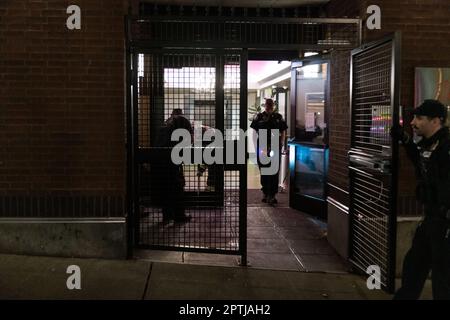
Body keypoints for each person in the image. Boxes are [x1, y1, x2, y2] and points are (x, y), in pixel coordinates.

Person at [391, 99, 450, 300]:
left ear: (436, 121)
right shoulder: (430, 144)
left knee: (443, 277)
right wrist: (406, 141)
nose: (413, 122)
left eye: (419, 118)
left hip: (445, 223)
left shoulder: (446, 147)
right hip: (431, 219)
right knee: (414, 265)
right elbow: (420, 159)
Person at [155, 108, 193, 223]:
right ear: (181, 114)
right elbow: (189, 139)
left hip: (160, 159)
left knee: (166, 187)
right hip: (173, 159)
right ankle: (179, 216)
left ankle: (167, 216)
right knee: (177, 186)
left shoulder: (166, 123)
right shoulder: (182, 121)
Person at [250, 98, 288, 205]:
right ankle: (265, 192)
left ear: (273, 105)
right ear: (265, 105)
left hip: (275, 146)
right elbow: (254, 132)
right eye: (267, 104)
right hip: (262, 146)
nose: (269, 106)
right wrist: (255, 146)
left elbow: (283, 131)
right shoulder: (259, 117)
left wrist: (281, 144)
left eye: (271, 104)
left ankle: (272, 195)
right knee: (264, 170)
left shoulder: (278, 117)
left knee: (274, 171)